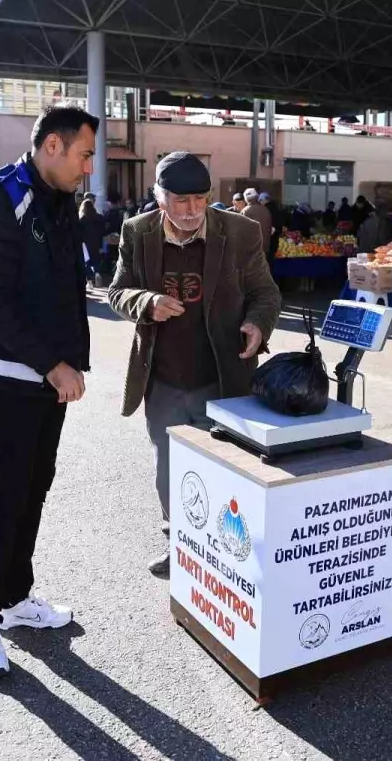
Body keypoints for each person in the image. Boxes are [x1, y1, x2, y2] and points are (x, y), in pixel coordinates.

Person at [0, 103, 96, 679]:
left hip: (50, 378)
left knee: (35, 486)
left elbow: (63, 288)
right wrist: (54, 365)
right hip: (7, 377)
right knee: (7, 492)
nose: (88, 168)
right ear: (52, 145)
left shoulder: (58, 199)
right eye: (83, 154)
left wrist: (68, 363)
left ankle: (15, 598)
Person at [108, 151, 282, 576]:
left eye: (200, 200)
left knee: (227, 470)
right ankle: (179, 544)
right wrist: (146, 302)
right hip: (163, 378)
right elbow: (117, 291)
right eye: (181, 201)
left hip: (221, 378)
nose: (191, 210)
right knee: (171, 470)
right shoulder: (137, 231)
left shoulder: (240, 231)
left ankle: (227, 557)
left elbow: (265, 292)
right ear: (160, 198)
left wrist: (257, 324)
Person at [78, 197, 106, 287]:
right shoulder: (99, 217)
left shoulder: (82, 220)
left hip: (86, 244)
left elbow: (79, 233)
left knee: (87, 261)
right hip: (97, 242)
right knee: (96, 260)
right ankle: (97, 273)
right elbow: (103, 231)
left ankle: (90, 280)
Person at [241, 187, 274, 256]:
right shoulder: (266, 210)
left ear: (246, 199)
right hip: (265, 248)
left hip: (251, 249)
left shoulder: (245, 211)